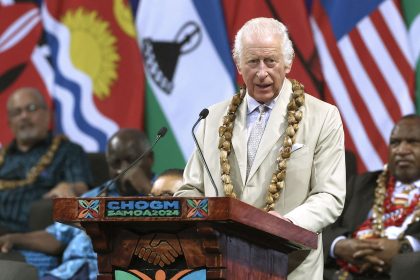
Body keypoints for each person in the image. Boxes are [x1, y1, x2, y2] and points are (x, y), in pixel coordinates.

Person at [174, 17, 346, 279]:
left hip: (290, 266)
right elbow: (190, 190)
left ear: (288, 63)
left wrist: (287, 225)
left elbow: (329, 195)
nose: (262, 72)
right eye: (253, 62)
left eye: (271, 61)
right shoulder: (212, 118)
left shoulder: (323, 116)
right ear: (239, 65)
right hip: (221, 265)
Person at [0, 128, 154, 279]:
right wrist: (14, 238)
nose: (122, 170)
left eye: (132, 160)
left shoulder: (168, 189)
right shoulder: (94, 196)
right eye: (115, 163)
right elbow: (57, 236)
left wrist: (148, 190)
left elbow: (172, 236)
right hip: (69, 272)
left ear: (150, 158)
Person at [323, 115, 420, 280]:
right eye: (395, 143)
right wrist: (338, 245)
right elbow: (322, 226)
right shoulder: (361, 184)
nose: (402, 150)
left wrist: (406, 247)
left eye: (413, 142)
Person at [0, 87, 92, 233]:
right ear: (10, 123)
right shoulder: (3, 156)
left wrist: (69, 187)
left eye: (31, 108)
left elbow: (82, 187)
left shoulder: (67, 150)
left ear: (47, 114)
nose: (24, 116)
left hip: (34, 232)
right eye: (16, 112)